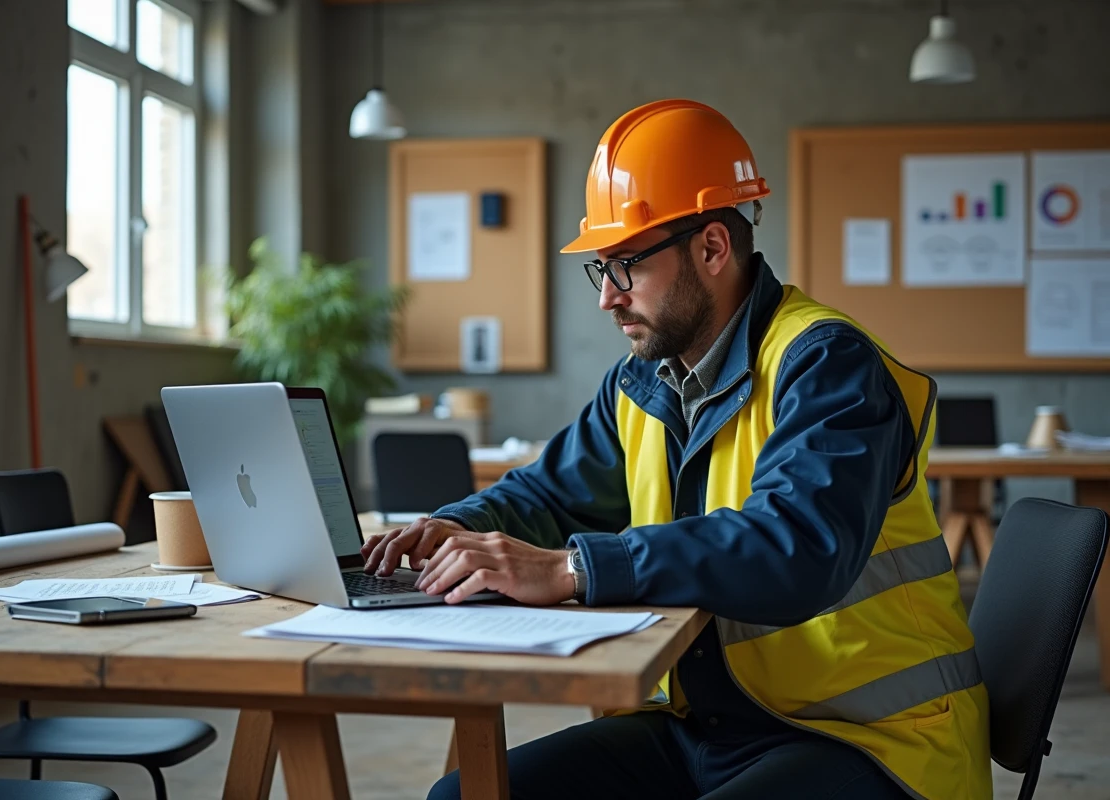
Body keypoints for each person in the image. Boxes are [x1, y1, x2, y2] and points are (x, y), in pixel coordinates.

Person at [362, 99, 991, 800]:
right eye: (601, 269)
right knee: (461, 797)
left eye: (625, 266)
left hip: (873, 738)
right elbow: (548, 494)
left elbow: (799, 548)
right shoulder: (642, 384)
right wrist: (454, 529)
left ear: (712, 248)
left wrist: (573, 567)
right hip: (705, 726)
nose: (607, 298)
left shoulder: (827, 364)